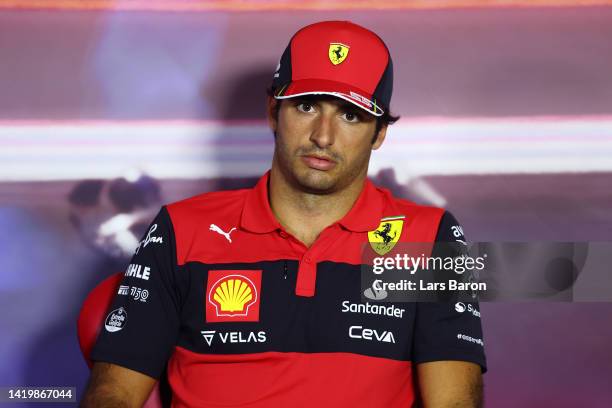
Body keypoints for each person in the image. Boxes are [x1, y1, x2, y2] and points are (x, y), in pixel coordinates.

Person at [82, 20, 486, 408]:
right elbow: (114, 394)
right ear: (274, 111)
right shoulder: (182, 230)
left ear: (380, 133)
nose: (323, 136)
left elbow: (453, 400)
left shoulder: (427, 235)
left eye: (351, 115)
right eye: (307, 106)